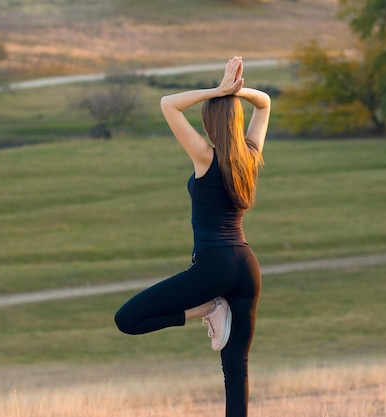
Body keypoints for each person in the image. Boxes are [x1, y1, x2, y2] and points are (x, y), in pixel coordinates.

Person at [114, 56, 270, 417]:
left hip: (213, 266)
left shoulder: (204, 157)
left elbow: (168, 104)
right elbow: (265, 103)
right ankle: (213, 308)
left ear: (210, 122)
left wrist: (220, 90)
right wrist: (236, 91)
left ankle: (208, 308)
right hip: (247, 265)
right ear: (238, 120)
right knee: (236, 369)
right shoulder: (251, 155)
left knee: (128, 320)